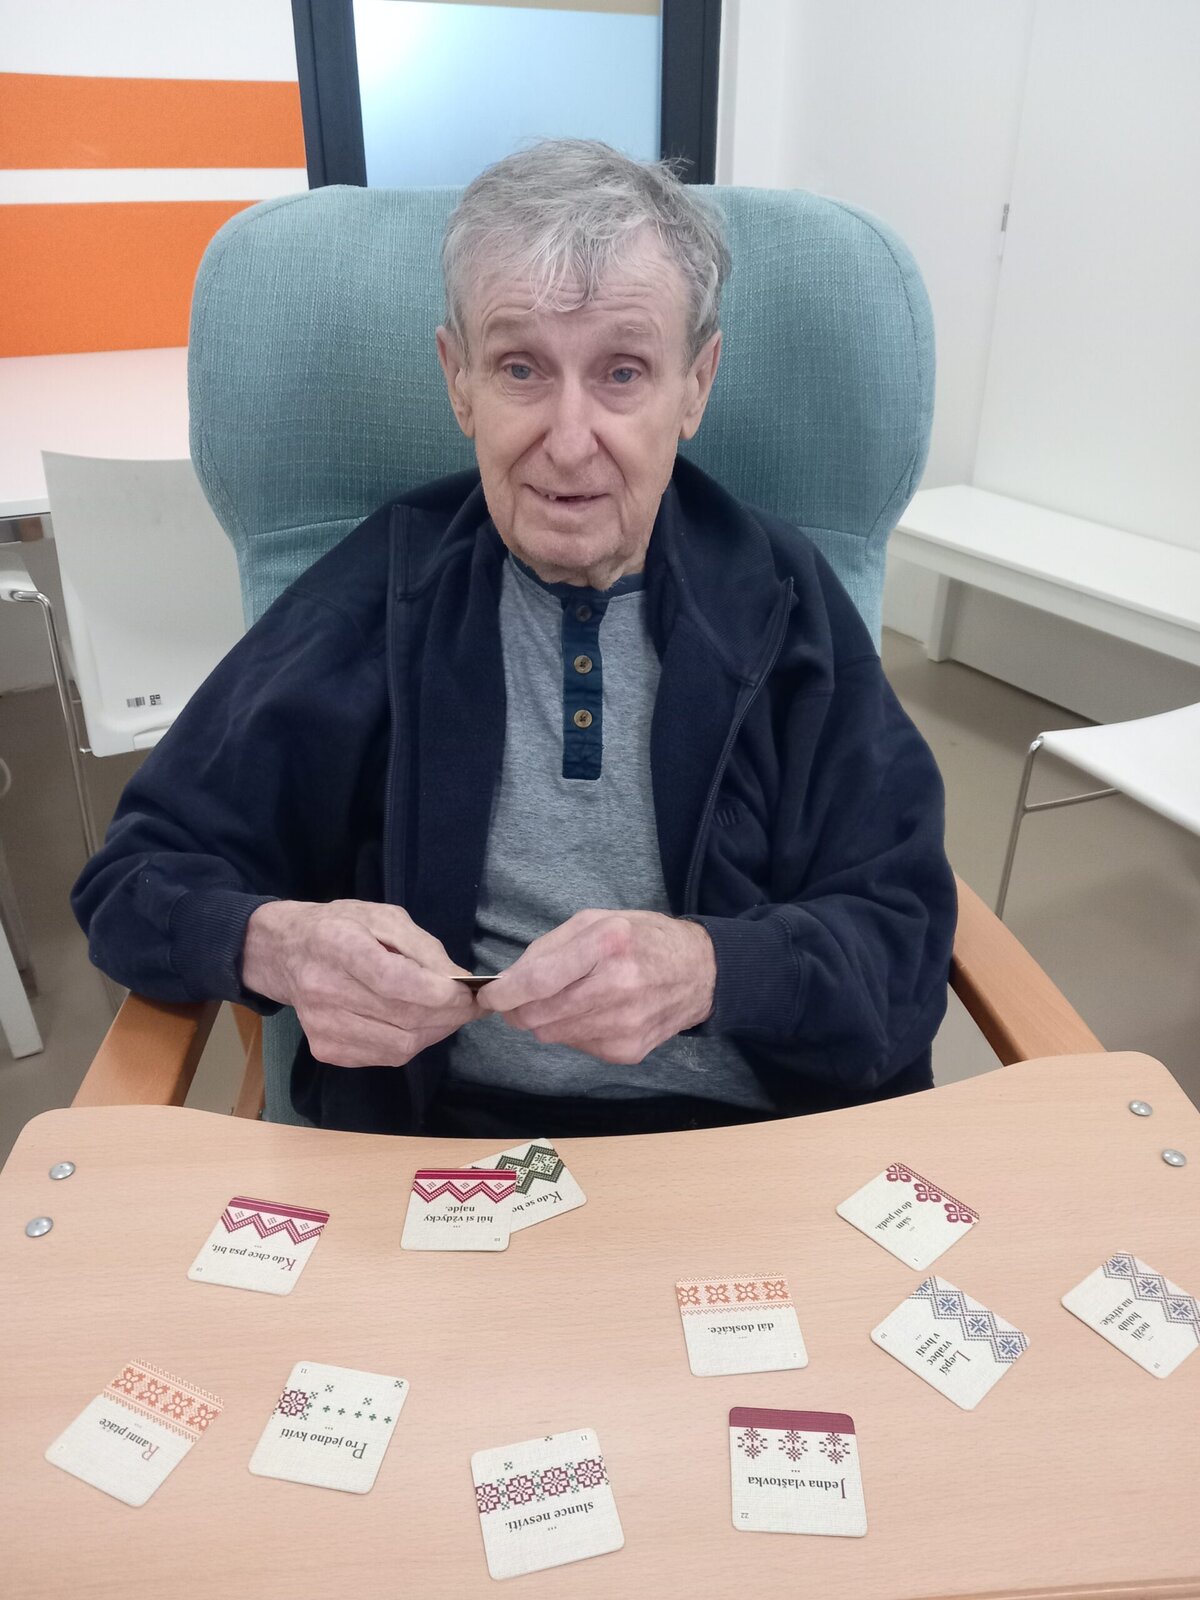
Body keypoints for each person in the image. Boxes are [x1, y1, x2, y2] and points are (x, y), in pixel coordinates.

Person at [72, 139, 956, 1138]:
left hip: (754, 1147)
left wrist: (711, 969)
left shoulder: (783, 600)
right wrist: (280, 947)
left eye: (623, 372)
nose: (569, 442)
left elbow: (904, 939)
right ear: (460, 383)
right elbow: (134, 879)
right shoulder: (381, 591)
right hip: (445, 1155)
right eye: (521, 367)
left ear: (695, 387)